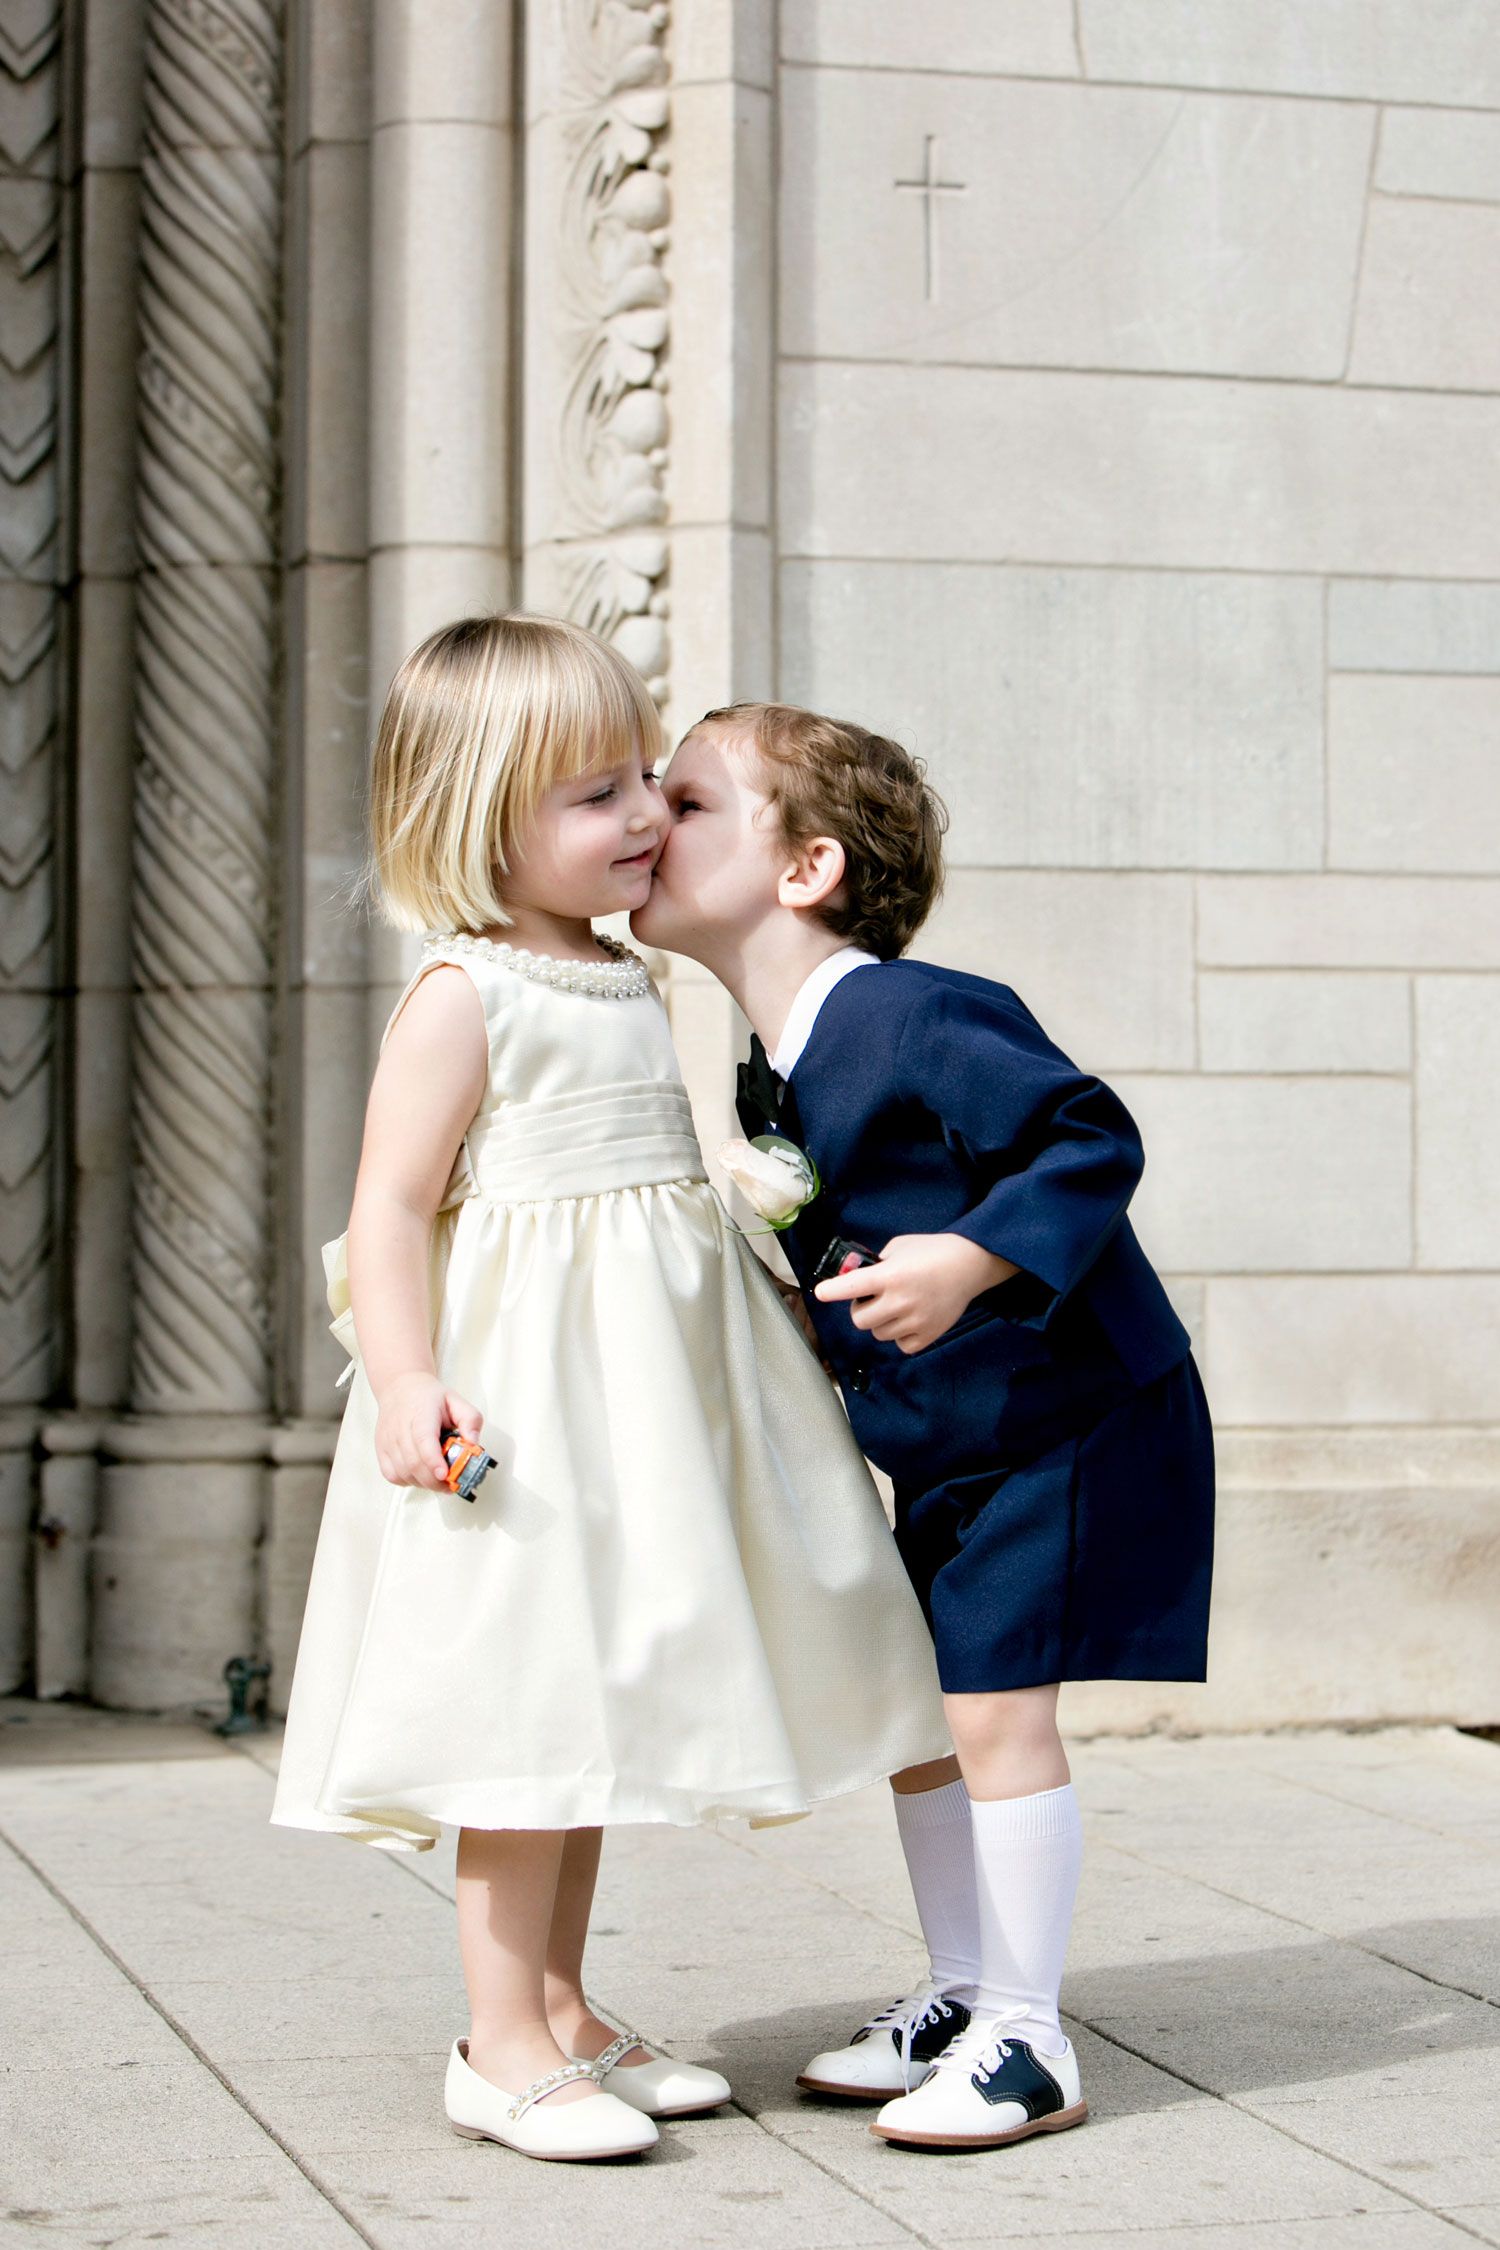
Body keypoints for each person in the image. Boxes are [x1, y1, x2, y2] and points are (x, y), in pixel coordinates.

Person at [271, 625, 950, 2164]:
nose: (645, 813)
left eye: (648, 776)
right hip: (532, 1403)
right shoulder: (467, 991)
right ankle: (496, 2038)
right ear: (479, 819)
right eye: (598, 795)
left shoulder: (623, 972)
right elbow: (390, 1206)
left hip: (643, 1392)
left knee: (585, 1711)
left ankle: (564, 2007)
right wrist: (405, 1379)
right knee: (526, 1708)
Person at [633, 702, 1214, 2153]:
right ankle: (962, 1989)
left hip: (1065, 1414)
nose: (651, 814)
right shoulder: (775, 1062)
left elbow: (1088, 1135)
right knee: (924, 1727)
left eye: (691, 800)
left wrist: (966, 1259)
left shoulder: (915, 1011)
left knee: (992, 1716)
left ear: (806, 866)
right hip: (954, 1439)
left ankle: (1031, 2036)